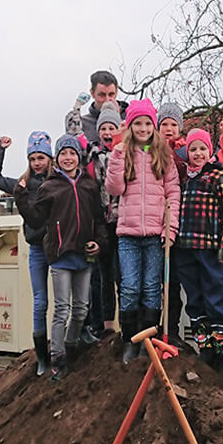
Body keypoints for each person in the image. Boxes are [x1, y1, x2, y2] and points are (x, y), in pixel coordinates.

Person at [14, 135, 106, 381]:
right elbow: (35, 220)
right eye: (63, 154)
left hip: (84, 255)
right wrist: (21, 197)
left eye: (72, 153)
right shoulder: (49, 187)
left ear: (78, 157)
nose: (68, 158)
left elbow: (98, 219)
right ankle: (57, 358)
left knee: (81, 308)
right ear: (57, 158)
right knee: (62, 309)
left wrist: (98, 243)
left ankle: (71, 345)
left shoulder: (89, 185)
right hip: (60, 256)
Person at [105, 98, 181, 362]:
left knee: (151, 287)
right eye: (138, 123)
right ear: (131, 126)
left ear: (154, 125)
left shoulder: (163, 154)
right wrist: (116, 157)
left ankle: (148, 339)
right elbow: (115, 189)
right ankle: (130, 340)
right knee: (129, 287)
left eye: (147, 123)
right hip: (128, 233)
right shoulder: (123, 152)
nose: (143, 128)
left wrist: (170, 229)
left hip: (155, 234)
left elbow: (173, 193)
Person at [0, 131, 54, 375]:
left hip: (58, 247)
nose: (37, 163)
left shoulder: (56, 180)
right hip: (37, 248)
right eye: (33, 158)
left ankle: (64, 348)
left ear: (49, 158)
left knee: (64, 301)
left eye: (41, 158)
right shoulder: (22, 185)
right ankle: (42, 358)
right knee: (40, 302)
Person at [174, 128, 223, 375]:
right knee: (196, 300)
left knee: (217, 298)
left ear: (209, 151)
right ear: (187, 152)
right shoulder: (186, 179)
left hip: (211, 249)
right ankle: (206, 348)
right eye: (193, 149)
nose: (198, 153)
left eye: (202, 149)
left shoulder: (217, 176)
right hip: (186, 248)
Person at [83, 102, 124, 344]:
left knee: (122, 275)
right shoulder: (92, 153)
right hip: (101, 221)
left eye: (112, 127)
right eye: (104, 128)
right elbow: (75, 133)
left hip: (122, 220)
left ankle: (128, 325)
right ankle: (106, 325)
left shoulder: (126, 150)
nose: (108, 133)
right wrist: (77, 107)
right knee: (102, 275)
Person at [158, 101, 188, 342]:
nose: (169, 128)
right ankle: (155, 326)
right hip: (156, 220)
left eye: (173, 124)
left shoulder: (185, 151)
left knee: (173, 281)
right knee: (154, 283)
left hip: (180, 221)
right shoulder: (151, 150)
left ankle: (173, 329)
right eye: (164, 124)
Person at [65, 69, 127, 144]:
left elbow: (144, 145)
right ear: (92, 93)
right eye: (102, 95)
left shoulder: (130, 119)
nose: (107, 100)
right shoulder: (83, 124)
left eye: (111, 94)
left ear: (116, 92)